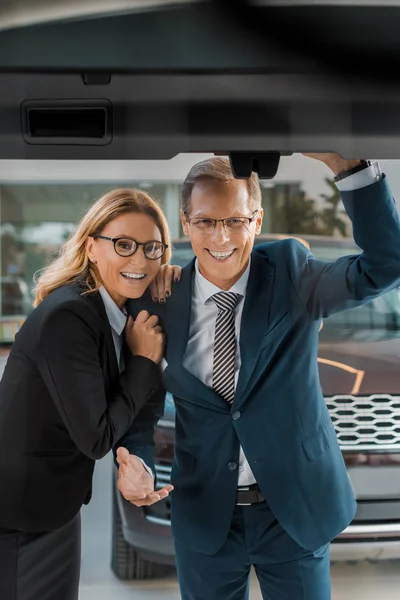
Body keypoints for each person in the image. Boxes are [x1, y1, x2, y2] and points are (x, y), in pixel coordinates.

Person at [116, 153, 400, 600]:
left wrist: (350, 168)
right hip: (207, 515)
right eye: (207, 222)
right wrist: (136, 459)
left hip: (294, 511)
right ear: (186, 223)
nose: (222, 236)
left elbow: (386, 265)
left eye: (236, 220)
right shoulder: (156, 303)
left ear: (257, 220)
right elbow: (143, 404)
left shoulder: (293, 273)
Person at [0, 188, 178, 600]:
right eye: (124, 245)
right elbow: (96, 436)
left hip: (49, 503)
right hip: (19, 511)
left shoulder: (123, 310)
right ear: (91, 248)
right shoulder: (70, 315)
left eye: (153, 248)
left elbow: (142, 405)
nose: (140, 260)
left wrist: (138, 461)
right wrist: (144, 361)